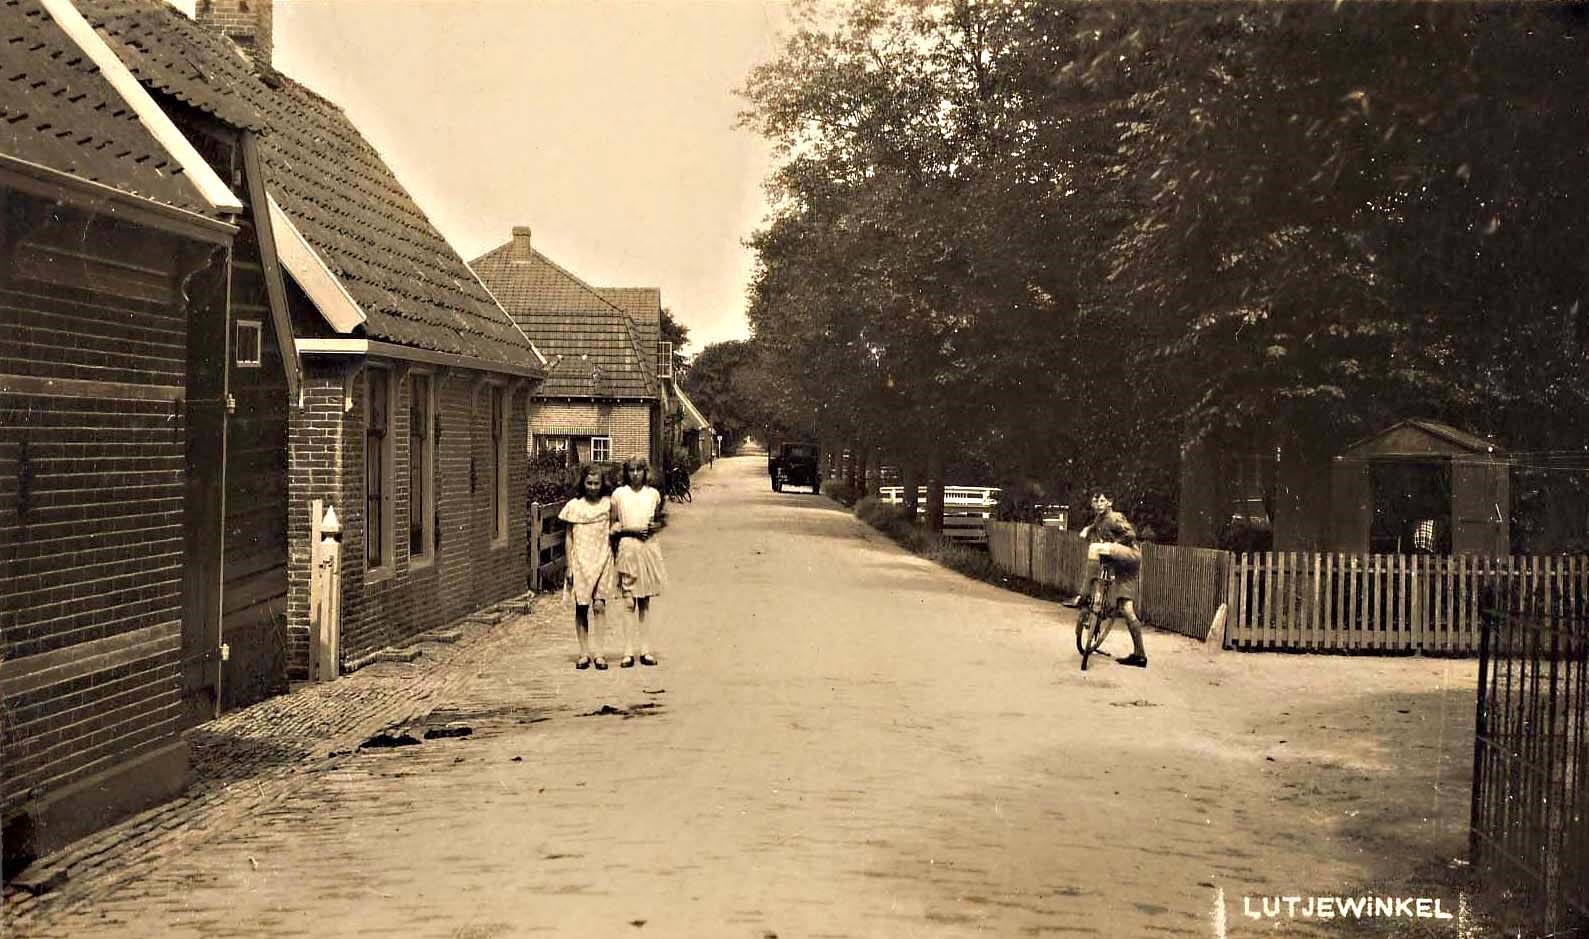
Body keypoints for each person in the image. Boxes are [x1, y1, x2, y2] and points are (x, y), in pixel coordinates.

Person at [1067, 492, 1149, 668]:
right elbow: (1095, 525)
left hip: (1130, 555)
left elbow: (1131, 534)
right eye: (1096, 501)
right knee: (1126, 608)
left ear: (1110, 502)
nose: (1098, 504)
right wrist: (1088, 529)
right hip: (1124, 565)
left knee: (1095, 548)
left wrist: (1115, 544)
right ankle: (1140, 655)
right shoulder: (1099, 519)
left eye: (1102, 500)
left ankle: (1083, 595)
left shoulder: (1114, 517)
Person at [611, 457, 668, 667]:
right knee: (628, 601)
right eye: (631, 470)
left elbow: (659, 519)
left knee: (644, 601)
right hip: (628, 548)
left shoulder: (653, 495)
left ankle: (645, 650)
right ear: (626, 473)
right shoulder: (619, 495)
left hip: (648, 549)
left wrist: (656, 526)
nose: (635, 474)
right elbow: (613, 525)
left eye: (639, 470)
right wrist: (629, 530)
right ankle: (627, 651)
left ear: (646, 472)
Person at [558, 464, 616, 671]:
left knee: (599, 605)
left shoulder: (609, 505)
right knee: (581, 607)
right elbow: (568, 537)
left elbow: (615, 528)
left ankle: (599, 653)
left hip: (602, 559)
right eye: (589, 483)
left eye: (596, 483)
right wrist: (569, 565)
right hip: (580, 561)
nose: (593, 487)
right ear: (583, 483)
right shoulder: (574, 506)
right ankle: (584, 653)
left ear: (602, 484)